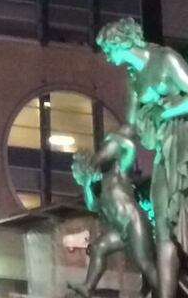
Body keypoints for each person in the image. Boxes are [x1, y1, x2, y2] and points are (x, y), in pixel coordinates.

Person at [97, 17, 188, 298]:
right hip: (170, 151)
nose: (107, 56)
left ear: (122, 42)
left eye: (108, 48)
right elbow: (129, 127)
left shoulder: (165, 59)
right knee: (163, 227)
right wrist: (107, 150)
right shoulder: (133, 79)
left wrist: (163, 111)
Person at [70, 126, 157, 297]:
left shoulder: (119, 169)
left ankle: (168, 293)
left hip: (133, 222)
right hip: (120, 230)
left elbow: (130, 147)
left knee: (145, 264)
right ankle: (88, 286)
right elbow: (92, 206)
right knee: (98, 248)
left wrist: (116, 137)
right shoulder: (100, 183)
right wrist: (87, 184)